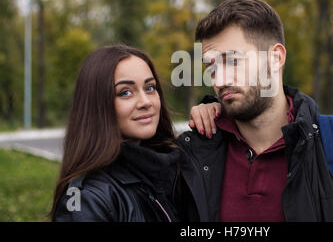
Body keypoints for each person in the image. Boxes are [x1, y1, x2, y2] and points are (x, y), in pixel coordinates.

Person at [179, 0, 333, 222]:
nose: (219, 79)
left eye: (232, 60)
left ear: (276, 58)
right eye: (210, 66)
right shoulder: (190, 157)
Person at [50, 45, 214, 222]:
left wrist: (217, 112)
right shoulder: (87, 199)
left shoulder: (171, 168)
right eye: (125, 92)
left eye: (150, 88)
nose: (145, 102)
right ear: (97, 106)